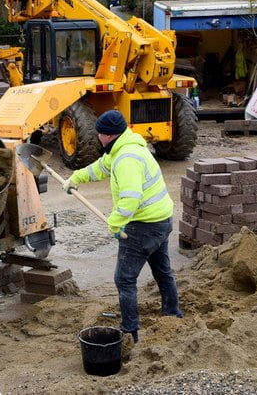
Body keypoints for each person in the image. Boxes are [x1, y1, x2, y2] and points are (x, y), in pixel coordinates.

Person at [64, 110, 183, 343]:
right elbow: (101, 167)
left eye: (99, 134)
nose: (98, 137)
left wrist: (115, 223)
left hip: (144, 226)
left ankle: (130, 332)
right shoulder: (125, 146)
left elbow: (131, 198)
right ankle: (172, 313)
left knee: (125, 279)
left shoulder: (127, 159)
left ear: (107, 136)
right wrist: (76, 178)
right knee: (162, 270)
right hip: (161, 219)